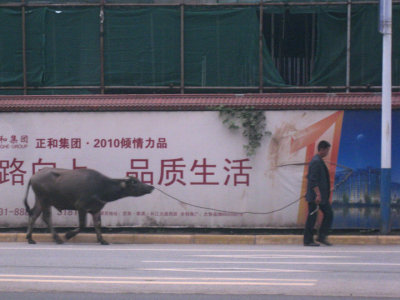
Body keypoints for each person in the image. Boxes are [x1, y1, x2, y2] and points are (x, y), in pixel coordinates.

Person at [303, 140, 334, 246]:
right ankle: (308, 240)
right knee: (312, 217)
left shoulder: (319, 161)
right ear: (322, 149)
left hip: (321, 196)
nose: (327, 152)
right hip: (316, 197)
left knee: (328, 214)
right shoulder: (316, 162)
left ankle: (321, 237)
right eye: (327, 150)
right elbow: (312, 179)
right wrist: (318, 194)